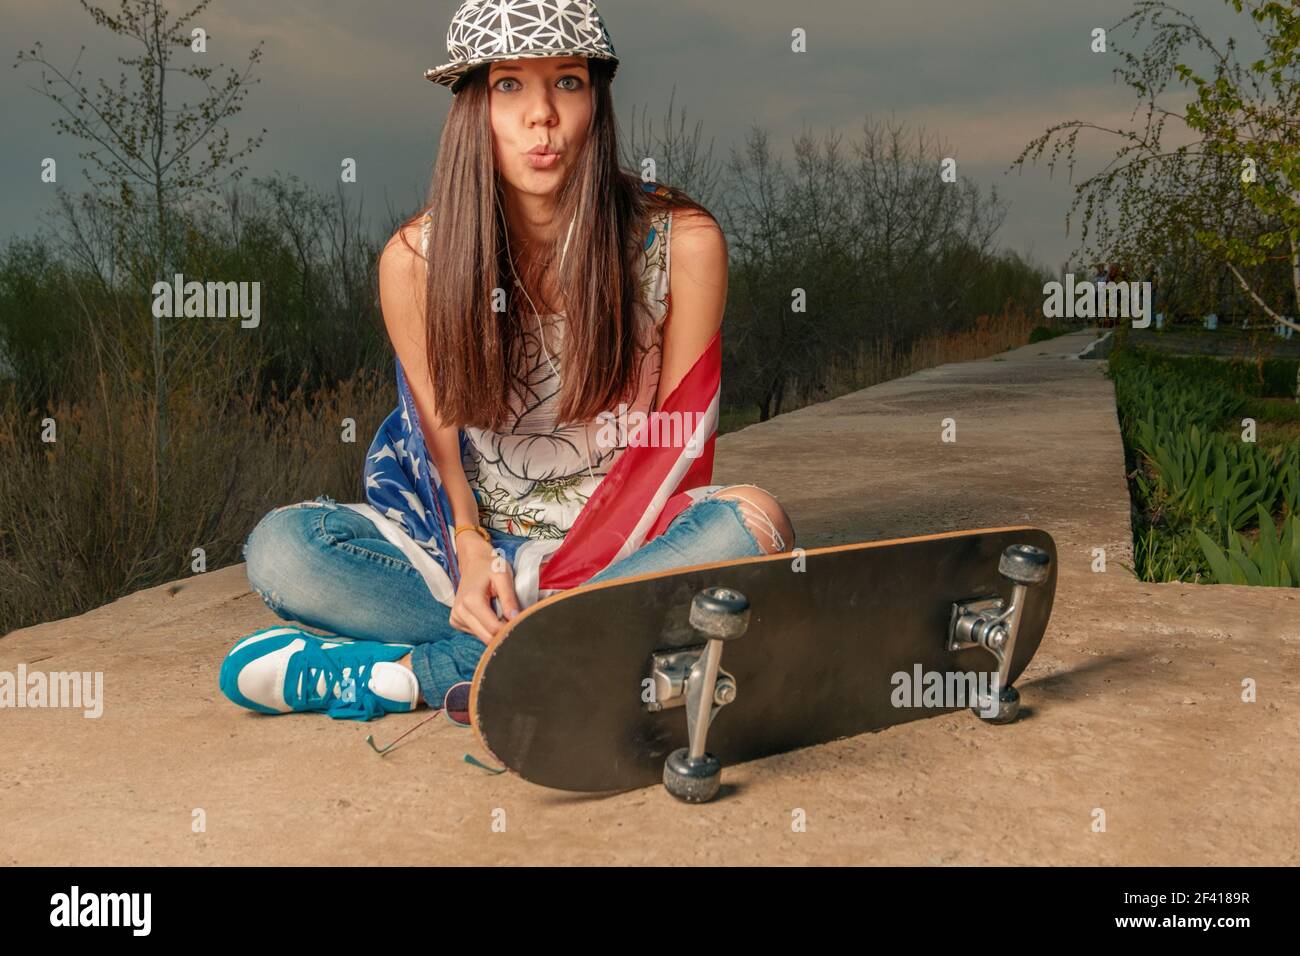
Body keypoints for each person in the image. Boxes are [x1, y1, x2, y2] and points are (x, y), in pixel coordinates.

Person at [218, 0, 795, 723]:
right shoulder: (413, 262)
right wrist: (469, 553)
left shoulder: (682, 244)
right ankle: (589, 648)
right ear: (471, 108)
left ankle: (408, 675)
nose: (543, 115)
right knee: (284, 550)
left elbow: (675, 451)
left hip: (627, 549)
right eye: (509, 85)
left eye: (569, 82)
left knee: (757, 527)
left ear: (597, 100)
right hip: (477, 554)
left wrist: (598, 570)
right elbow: (439, 451)